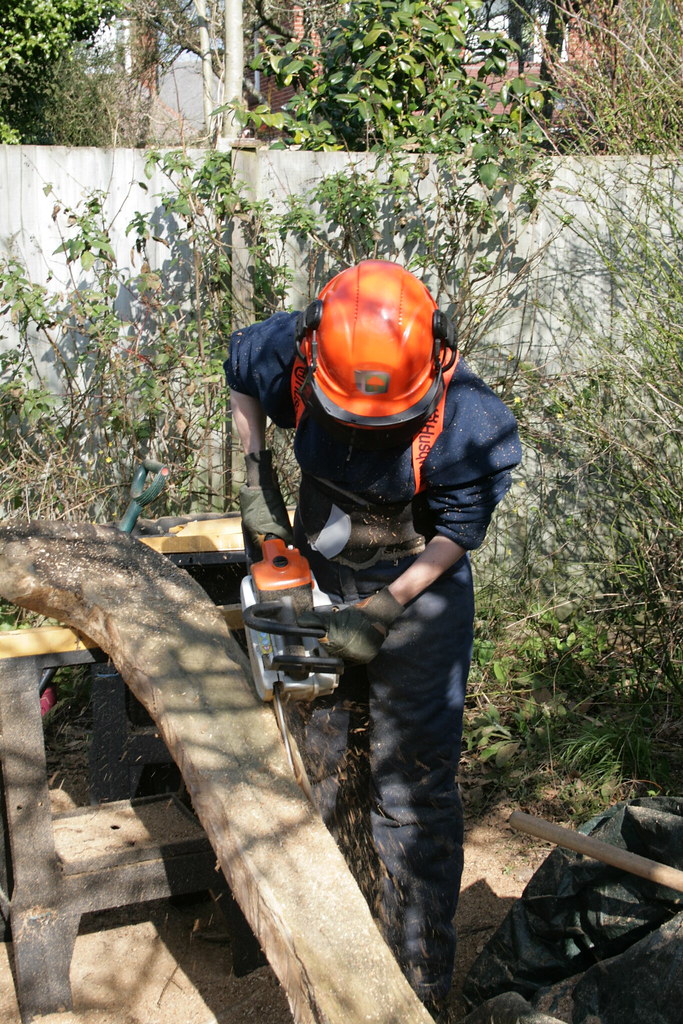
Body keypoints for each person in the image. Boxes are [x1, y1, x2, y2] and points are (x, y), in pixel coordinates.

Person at [225, 259, 521, 1022]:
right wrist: (254, 485)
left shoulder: (471, 420)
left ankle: (417, 982)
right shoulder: (290, 353)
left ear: (437, 359)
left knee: (411, 788)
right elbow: (238, 368)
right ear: (313, 349)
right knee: (316, 771)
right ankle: (330, 956)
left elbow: (456, 531)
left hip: (418, 593)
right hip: (317, 572)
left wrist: (385, 608)